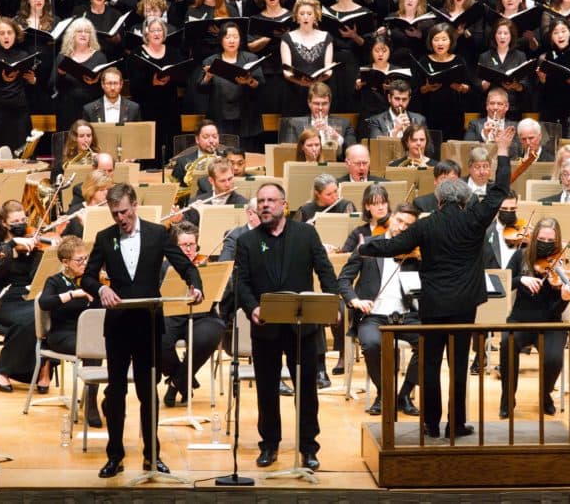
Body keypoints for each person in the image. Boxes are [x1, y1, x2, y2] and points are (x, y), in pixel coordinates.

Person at [360, 125, 513, 439]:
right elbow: (499, 191)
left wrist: (364, 246)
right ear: (464, 198)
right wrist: (504, 151)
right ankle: (456, 424)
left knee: (430, 365)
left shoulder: (426, 226)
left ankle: (430, 424)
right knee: (458, 366)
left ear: (439, 200)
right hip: (464, 305)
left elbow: (391, 246)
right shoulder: (474, 220)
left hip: (432, 304)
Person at [81, 183, 203, 478]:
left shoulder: (158, 234)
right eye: (114, 214)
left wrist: (195, 284)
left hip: (148, 324)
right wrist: (100, 289)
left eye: (123, 211)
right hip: (119, 326)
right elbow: (86, 277)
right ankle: (115, 455)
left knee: (148, 393)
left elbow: (185, 266)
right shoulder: (104, 237)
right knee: (117, 392)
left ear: (134, 204)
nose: (120, 218)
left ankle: (152, 456)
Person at [235, 181, 338, 469]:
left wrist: (334, 304)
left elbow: (325, 271)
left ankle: (308, 447)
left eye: (271, 200)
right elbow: (241, 283)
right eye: (261, 201)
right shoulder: (247, 241)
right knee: (267, 390)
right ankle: (269, 444)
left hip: (301, 327)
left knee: (306, 390)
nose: (265, 205)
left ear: (284, 204)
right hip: (265, 326)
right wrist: (252, 307)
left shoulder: (306, 234)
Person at [338, 203, 421, 416]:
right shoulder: (369, 246)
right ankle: (384, 394)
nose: (402, 228)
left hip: (405, 315)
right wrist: (355, 300)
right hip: (372, 316)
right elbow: (344, 280)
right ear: (391, 218)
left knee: (430, 341)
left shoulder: (416, 252)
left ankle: (404, 394)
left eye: (408, 226)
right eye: (399, 221)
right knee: (372, 344)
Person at [500, 218, 570, 418]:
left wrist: (564, 298)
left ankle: (545, 395)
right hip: (520, 320)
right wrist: (521, 279)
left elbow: (556, 310)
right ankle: (507, 399)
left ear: (557, 241)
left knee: (553, 360)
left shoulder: (560, 264)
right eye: (541, 238)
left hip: (550, 323)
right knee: (507, 343)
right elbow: (504, 283)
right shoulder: (520, 256)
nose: (545, 243)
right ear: (534, 238)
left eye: (550, 240)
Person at [0, 201, 48, 393]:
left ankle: (44, 367)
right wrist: (11, 244)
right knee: (32, 318)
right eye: (15, 220)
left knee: (49, 311)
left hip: (28, 295)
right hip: (3, 299)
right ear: (4, 223)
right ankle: (5, 368)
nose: (21, 223)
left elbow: (37, 276)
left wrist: (40, 254)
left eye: (23, 219)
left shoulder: (32, 238)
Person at [38, 236, 104, 428]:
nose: (85, 263)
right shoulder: (55, 281)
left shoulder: (89, 280)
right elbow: (44, 303)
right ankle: (91, 403)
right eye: (79, 260)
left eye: (86, 258)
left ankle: (104, 397)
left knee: (106, 345)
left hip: (87, 333)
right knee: (92, 348)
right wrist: (73, 294)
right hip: (61, 335)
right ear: (65, 262)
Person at [159, 222, 226, 408]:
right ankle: (184, 378)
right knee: (157, 340)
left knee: (208, 336)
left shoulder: (206, 265)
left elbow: (217, 295)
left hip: (202, 316)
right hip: (170, 316)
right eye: (184, 245)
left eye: (192, 245)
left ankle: (176, 384)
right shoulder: (163, 266)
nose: (189, 250)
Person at [197, 20, 265, 151]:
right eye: (227, 37)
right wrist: (208, 77)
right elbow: (200, 88)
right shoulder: (211, 61)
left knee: (246, 155)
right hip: (220, 117)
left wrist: (249, 81)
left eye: (235, 37)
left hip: (246, 118)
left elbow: (261, 85)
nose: (231, 41)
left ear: (240, 39)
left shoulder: (251, 58)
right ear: (221, 40)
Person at [127, 16, 184, 165]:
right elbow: (133, 83)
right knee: (150, 144)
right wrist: (151, 82)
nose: (156, 33)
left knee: (169, 141)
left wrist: (170, 78)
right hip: (147, 106)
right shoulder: (137, 53)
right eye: (153, 30)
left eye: (159, 30)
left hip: (169, 104)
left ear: (164, 33)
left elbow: (183, 77)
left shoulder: (173, 52)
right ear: (146, 34)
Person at [0, 17, 35, 150]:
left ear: (16, 35)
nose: (6, 36)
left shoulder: (24, 55)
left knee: (21, 152)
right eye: (2, 33)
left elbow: (28, 86)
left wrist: (33, 81)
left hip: (19, 111)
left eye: (9, 33)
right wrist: (2, 79)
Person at [280, 0, 333, 117]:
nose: (305, 17)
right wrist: (301, 82)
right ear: (296, 17)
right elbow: (286, 71)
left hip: (320, 94)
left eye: (309, 14)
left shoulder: (326, 36)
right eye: (302, 13)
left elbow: (329, 70)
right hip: (294, 92)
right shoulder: (287, 38)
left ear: (315, 16)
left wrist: (315, 83)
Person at [280, 82, 357, 157]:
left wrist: (338, 138)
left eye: (324, 104)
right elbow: (289, 154)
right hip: (306, 168)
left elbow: (355, 153)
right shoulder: (295, 124)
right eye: (316, 104)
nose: (320, 108)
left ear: (330, 103)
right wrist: (310, 132)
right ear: (309, 103)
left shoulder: (345, 124)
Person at [340, 183, 390, 254]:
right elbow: (344, 255)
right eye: (375, 204)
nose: (381, 207)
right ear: (367, 206)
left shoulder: (395, 227)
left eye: (384, 203)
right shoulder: (358, 233)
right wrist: (359, 250)